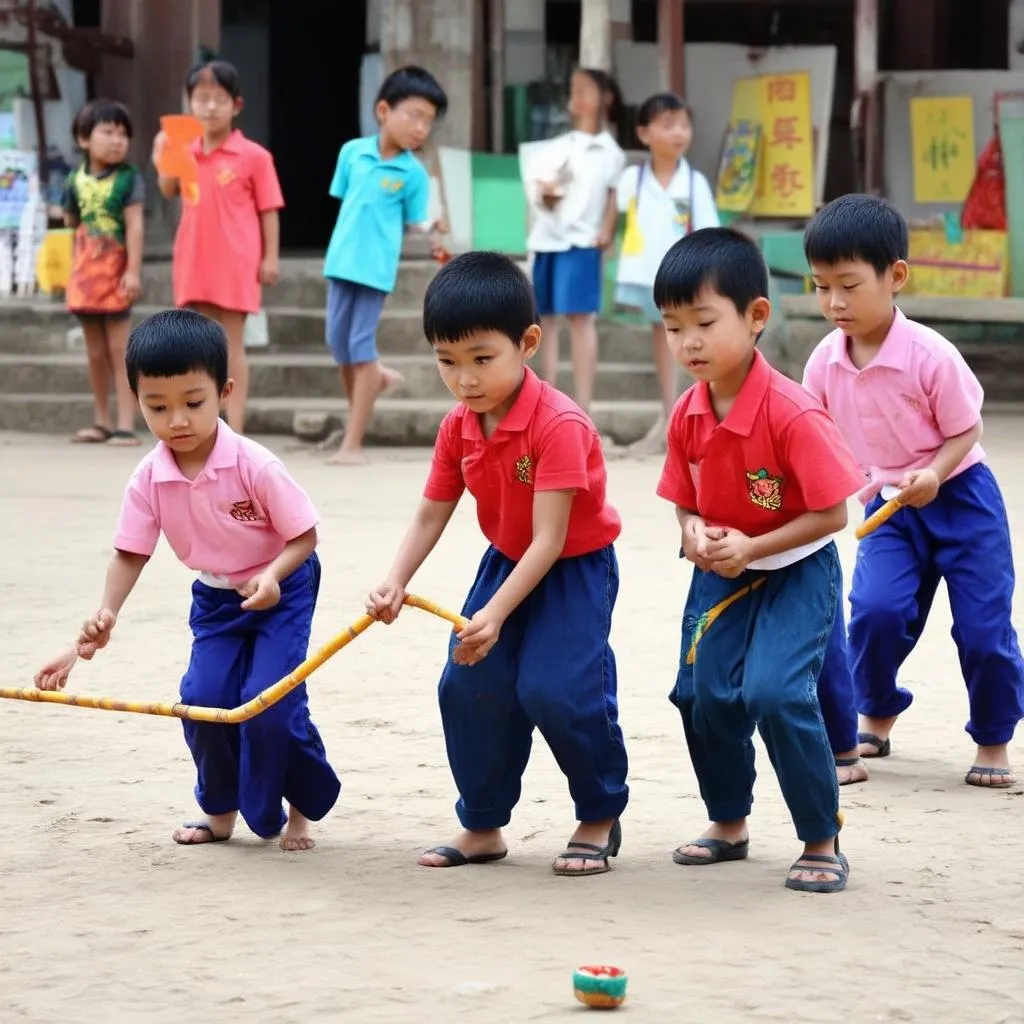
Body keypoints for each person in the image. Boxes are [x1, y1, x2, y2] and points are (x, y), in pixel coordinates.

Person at [34, 309, 341, 851]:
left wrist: (271, 576)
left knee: (270, 703)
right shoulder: (149, 477)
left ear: (223, 391)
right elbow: (131, 552)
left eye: (192, 403)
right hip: (217, 599)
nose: (177, 420)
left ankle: (301, 807)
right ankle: (219, 810)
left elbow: (305, 536)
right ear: (137, 400)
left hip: (283, 588)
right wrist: (106, 615)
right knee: (202, 699)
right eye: (157, 407)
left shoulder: (255, 465)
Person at [365, 251, 629, 875]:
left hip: (572, 566)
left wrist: (493, 613)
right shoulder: (459, 426)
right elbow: (432, 512)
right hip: (506, 561)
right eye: (447, 362)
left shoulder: (558, 423)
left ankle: (598, 813)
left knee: (557, 688)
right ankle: (482, 823)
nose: (466, 379)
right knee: (467, 685)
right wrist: (395, 580)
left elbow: (551, 539)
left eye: (482, 359)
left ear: (527, 343)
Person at [655, 227, 865, 893]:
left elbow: (836, 513)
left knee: (774, 692)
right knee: (699, 695)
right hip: (718, 573)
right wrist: (693, 531)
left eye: (704, 323)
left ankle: (820, 837)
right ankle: (728, 823)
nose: (688, 342)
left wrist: (753, 545)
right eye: (673, 326)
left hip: (798, 571)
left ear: (756, 317)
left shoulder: (792, 412)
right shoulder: (687, 412)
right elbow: (681, 501)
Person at [802, 193, 1024, 788]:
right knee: (875, 612)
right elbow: (818, 437)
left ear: (895, 276)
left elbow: (967, 428)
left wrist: (934, 473)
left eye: (848, 284)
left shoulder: (930, 355)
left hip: (963, 497)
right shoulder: (822, 362)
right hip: (889, 508)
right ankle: (874, 715)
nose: (834, 302)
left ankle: (994, 738)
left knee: (982, 627)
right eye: (821, 287)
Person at [323, 65, 448, 466]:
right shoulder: (351, 153)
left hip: (375, 270)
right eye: (413, 115)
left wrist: (432, 225)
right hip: (341, 260)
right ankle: (371, 384)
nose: (420, 127)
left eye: (428, 121)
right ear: (383, 111)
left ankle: (353, 442)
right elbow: (344, 200)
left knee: (359, 346)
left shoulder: (413, 173)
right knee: (338, 344)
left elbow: (415, 220)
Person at [153, 60, 284, 435]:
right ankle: (210, 422)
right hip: (196, 252)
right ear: (190, 103)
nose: (210, 107)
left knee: (232, 342)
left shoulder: (254, 156)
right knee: (202, 341)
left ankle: (236, 426)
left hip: (237, 257)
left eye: (219, 99)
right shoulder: (186, 148)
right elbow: (167, 189)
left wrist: (270, 257)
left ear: (236, 105)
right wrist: (163, 155)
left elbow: (269, 209)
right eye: (201, 98)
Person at [614, 93, 719, 456]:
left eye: (684, 125)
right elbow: (614, 220)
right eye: (668, 124)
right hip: (648, 276)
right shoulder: (632, 178)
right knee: (664, 340)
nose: (678, 133)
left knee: (687, 344)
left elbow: (709, 234)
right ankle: (668, 414)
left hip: (686, 279)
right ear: (644, 133)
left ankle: (682, 420)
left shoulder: (695, 183)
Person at [525, 68, 626, 415]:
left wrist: (607, 230)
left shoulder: (610, 151)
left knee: (581, 320)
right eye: (574, 89)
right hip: (546, 239)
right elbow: (540, 188)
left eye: (586, 90)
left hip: (582, 241)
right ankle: (546, 398)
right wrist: (545, 194)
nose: (578, 96)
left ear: (605, 98)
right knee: (545, 320)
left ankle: (583, 406)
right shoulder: (558, 146)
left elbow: (614, 197)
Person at [64, 99, 144, 447]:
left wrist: (134, 271)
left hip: (116, 273)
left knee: (119, 349)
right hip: (84, 277)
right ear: (84, 138)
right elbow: (70, 225)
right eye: (108, 132)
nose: (117, 140)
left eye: (123, 134)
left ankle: (126, 423)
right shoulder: (73, 180)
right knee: (94, 352)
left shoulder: (130, 179)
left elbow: (135, 226)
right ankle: (102, 420)